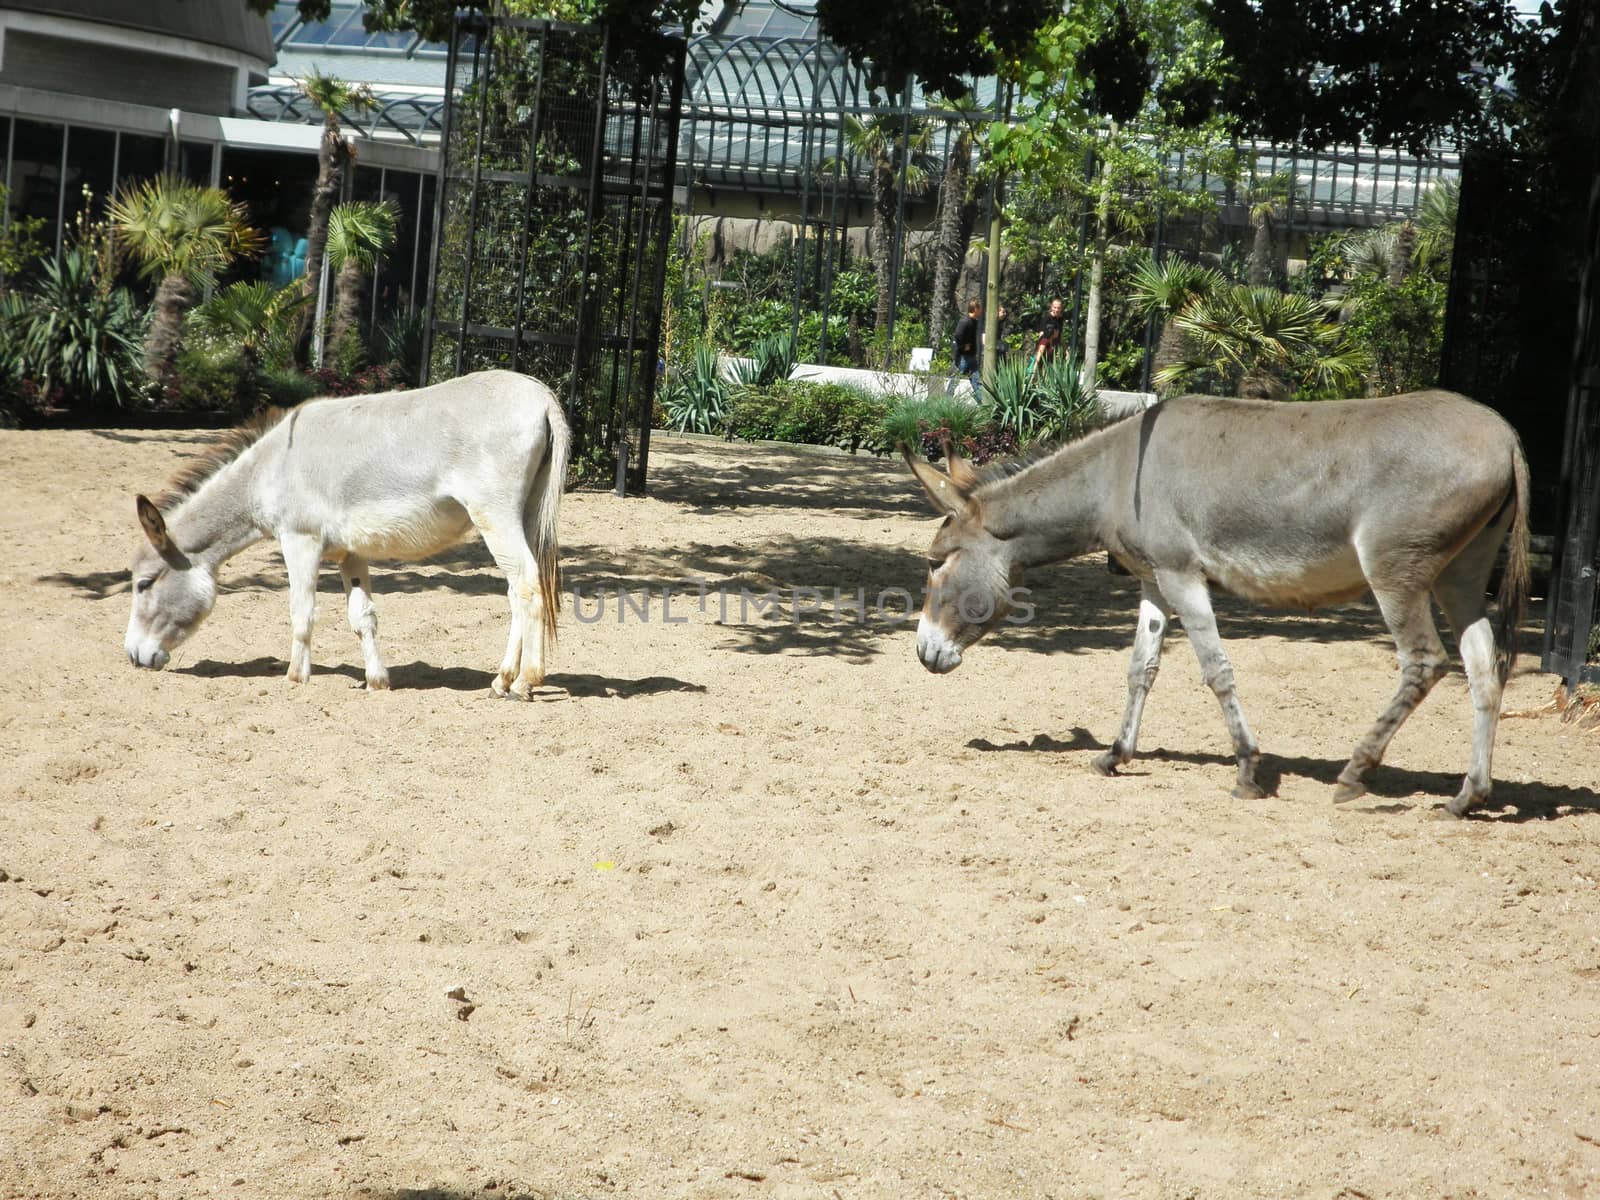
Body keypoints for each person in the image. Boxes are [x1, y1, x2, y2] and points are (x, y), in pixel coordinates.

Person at [948, 297, 983, 398]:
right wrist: (964, 346)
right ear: (975, 308)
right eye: (980, 308)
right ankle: (947, 402)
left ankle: (984, 404)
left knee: (976, 382)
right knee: (954, 381)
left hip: (971, 357)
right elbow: (958, 335)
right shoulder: (965, 321)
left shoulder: (974, 322)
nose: (981, 311)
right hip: (963, 358)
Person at [1031, 297, 1066, 370]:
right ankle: (1033, 373)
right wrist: (1049, 346)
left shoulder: (1060, 319)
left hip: (1055, 344)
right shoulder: (1046, 318)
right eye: (1055, 307)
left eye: (1058, 308)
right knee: (1040, 359)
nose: (1056, 310)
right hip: (1045, 343)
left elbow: (1060, 334)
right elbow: (1043, 334)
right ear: (1051, 307)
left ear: (1061, 308)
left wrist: (1065, 350)